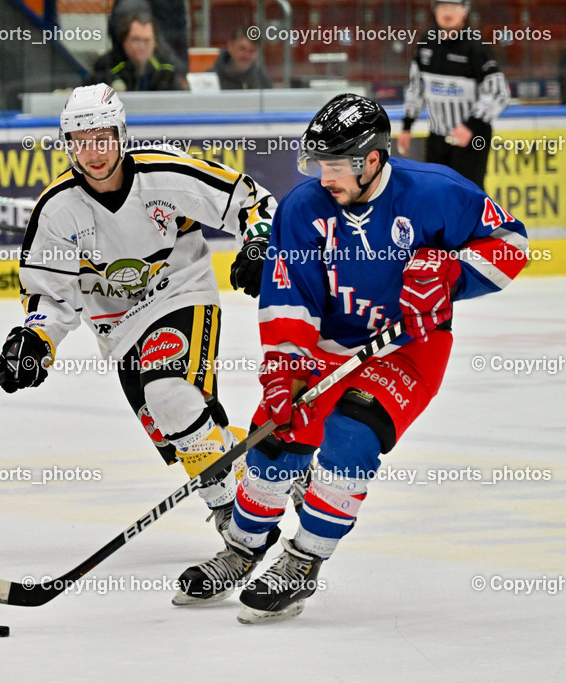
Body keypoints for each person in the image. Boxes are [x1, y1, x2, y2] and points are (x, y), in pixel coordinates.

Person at [173, 93, 528, 622]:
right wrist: (285, 371)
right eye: (319, 163)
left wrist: (452, 274)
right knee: (277, 436)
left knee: (352, 435)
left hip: (407, 347)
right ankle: (242, 548)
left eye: (335, 164)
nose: (324, 176)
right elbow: (290, 297)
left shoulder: (436, 192)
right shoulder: (302, 208)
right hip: (327, 343)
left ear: (372, 160)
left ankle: (303, 561)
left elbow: (512, 243)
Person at [0, 84, 276, 550]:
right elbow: (49, 296)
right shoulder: (58, 209)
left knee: (169, 395)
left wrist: (260, 241)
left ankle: (231, 510)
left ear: (121, 135)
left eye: (102, 138)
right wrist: (35, 339)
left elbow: (248, 200)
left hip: (179, 292)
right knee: (179, 425)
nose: (93, 153)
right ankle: (273, 466)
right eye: (81, 141)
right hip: (119, 329)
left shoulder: (163, 174)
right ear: (68, 145)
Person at [397, 0, 509, 190]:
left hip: (472, 138)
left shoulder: (476, 47)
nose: (447, 12)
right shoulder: (426, 43)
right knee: (435, 192)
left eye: (454, 7)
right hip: (437, 137)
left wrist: (469, 126)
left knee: (468, 194)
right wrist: (407, 126)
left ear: (464, 12)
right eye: (443, 6)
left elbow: (499, 92)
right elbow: (416, 88)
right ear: (435, 10)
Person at [88, 11, 182, 92]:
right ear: (124, 41)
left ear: (154, 43)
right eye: (136, 40)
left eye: (147, 41)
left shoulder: (166, 70)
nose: (142, 46)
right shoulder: (107, 68)